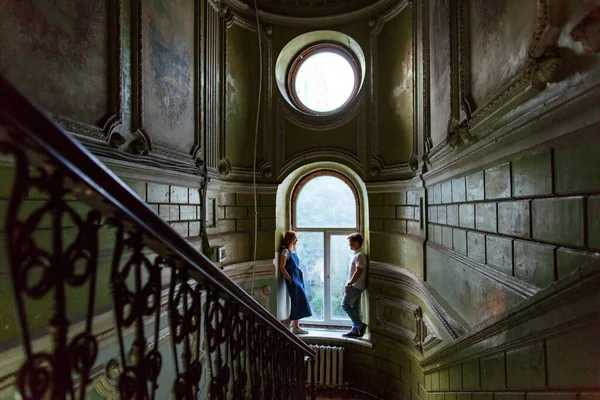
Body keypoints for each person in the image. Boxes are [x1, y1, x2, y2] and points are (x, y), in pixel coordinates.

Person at [279, 231, 312, 334]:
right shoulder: (285, 251)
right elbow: (282, 267)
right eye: (294, 238)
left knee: (299, 300)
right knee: (297, 300)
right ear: (290, 239)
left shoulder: (293, 250)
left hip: (298, 277)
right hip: (293, 278)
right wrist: (289, 278)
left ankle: (289, 321)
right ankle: (295, 326)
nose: (296, 240)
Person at [341, 232, 368, 338]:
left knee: (345, 305)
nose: (349, 244)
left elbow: (358, 272)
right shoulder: (357, 254)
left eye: (350, 242)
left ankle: (360, 326)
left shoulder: (360, 255)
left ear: (356, 243)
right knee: (354, 307)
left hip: (356, 285)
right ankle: (355, 330)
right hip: (357, 285)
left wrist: (349, 284)